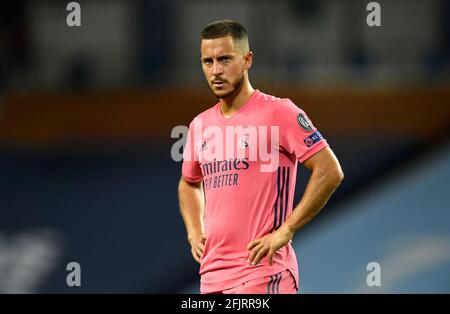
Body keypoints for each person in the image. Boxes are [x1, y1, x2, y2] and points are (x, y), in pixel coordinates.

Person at [178, 20, 344, 294]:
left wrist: (287, 229)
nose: (216, 71)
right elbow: (188, 183)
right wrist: (194, 231)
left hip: (262, 272)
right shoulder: (200, 125)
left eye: (225, 59)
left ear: (247, 60)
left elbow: (329, 170)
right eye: (207, 61)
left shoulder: (280, 112)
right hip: (211, 277)